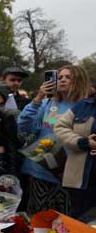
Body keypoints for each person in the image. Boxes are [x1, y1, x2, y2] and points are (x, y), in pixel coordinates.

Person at [18, 65, 90, 214]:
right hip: (40, 170)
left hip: (69, 172)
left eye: (68, 77)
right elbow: (24, 126)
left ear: (80, 81)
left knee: (64, 223)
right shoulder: (48, 103)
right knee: (38, 218)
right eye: (60, 77)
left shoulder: (86, 107)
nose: (62, 80)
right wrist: (38, 99)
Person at [54, 89, 96, 217]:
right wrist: (83, 142)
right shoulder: (83, 105)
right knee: (80, 221)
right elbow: (60, 127)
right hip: (81, 179)